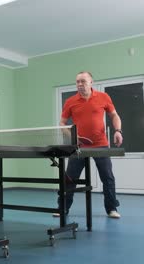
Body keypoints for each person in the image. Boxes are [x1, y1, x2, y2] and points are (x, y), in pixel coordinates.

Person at [55, 71, 123, 219]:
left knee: (108, 178)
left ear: (91, 82)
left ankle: (111, 208)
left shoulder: (103, 97)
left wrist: (118, 131)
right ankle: (63, 208)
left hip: (101, 144)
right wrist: (73, 136)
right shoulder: (70, 101)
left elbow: (114, 115)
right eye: (78, 82)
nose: (80, 84)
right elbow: (62, 123)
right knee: (70, 178)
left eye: (83, 81)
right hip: (79, 147)